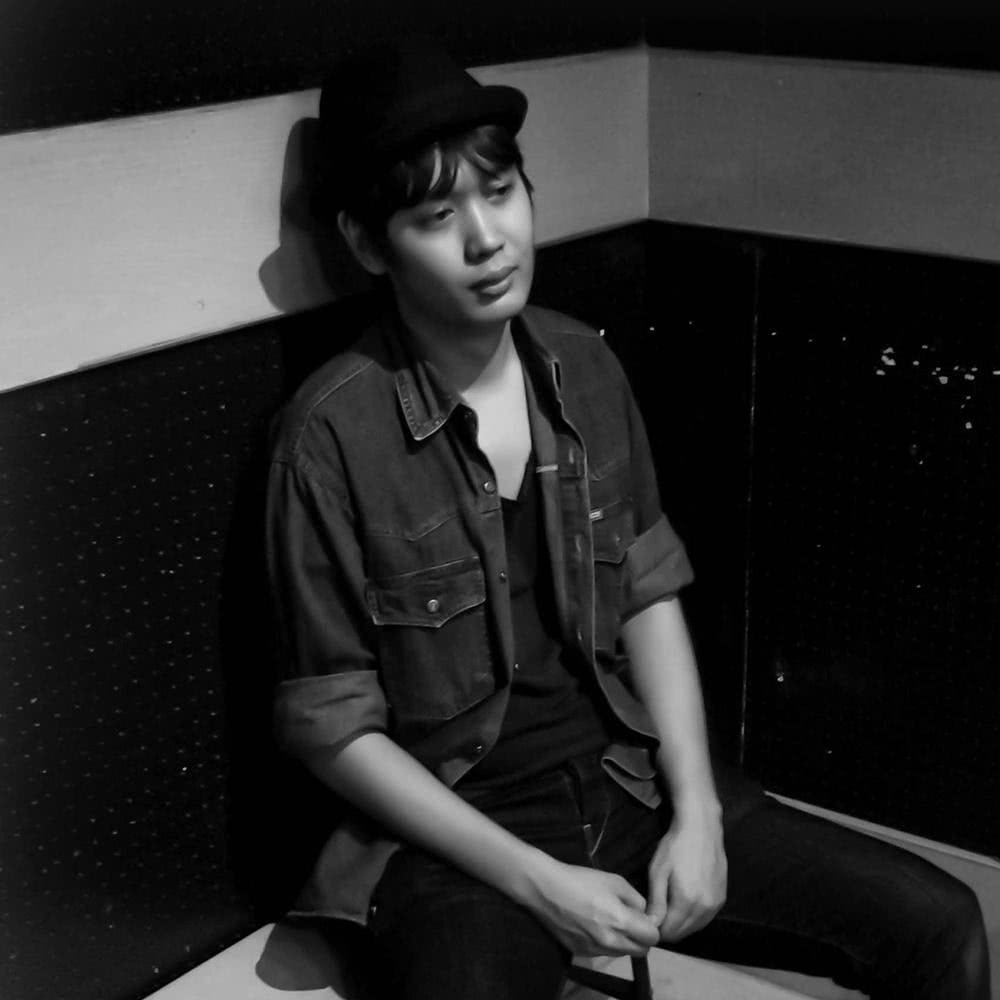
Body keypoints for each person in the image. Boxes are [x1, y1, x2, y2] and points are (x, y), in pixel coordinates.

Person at [265, 37, 990, 1000]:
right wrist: (541, 882)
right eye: (438, 217)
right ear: (367, 245)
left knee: (943, 923)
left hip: (626, 783)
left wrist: (698, 815)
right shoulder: (328, 436)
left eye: (501, 193)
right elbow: (334, 731)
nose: (488, 240)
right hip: (458, 841)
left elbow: (648, 596)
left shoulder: (584, 367)